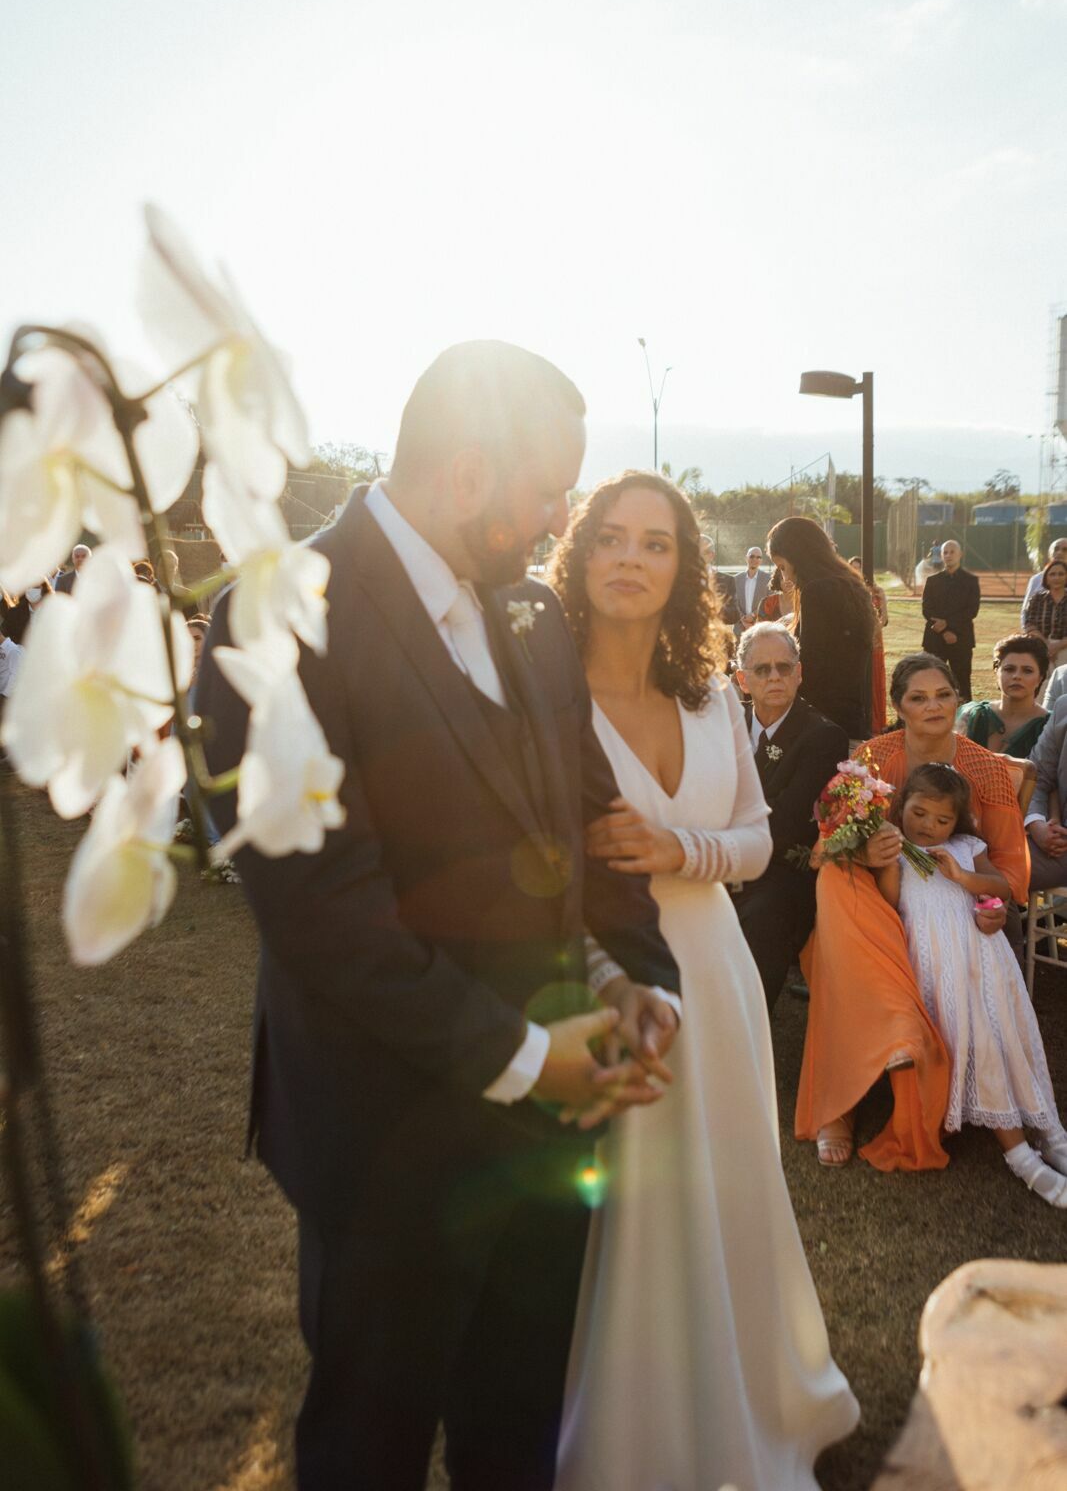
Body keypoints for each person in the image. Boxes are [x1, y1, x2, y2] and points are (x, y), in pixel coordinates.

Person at [196, 340, 681, 1491]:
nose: (563, 512)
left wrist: (636, 978)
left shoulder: (531, 616)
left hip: (550, 1140)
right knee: (371, 1442)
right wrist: (521, 1056)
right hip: (387, 1137)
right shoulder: (275, 622)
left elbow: (590, 824)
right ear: (466, 474)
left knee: (516, 1430)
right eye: (548, 487)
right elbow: (321, 910)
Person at [548, 471, 857, 1491]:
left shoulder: (711, 692)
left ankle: (749, 1395)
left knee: (727, 1182)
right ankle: (638, 1428)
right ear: (578, 553)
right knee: (635, 1203)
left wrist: (670, 844)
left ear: (684, 568)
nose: (630, 559)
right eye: (610, 538)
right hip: (607, 975)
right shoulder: (542, 701)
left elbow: (758, 844)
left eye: (656, 542)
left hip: (716, 970)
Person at [796, 653, 1028, 1170]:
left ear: (959, 697)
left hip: (958, 901)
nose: (934, 706)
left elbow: (1009, 864)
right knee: (836, 885)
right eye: (918, 698)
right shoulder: (874, 760)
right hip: (877, 897)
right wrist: (863, 853)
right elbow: (825, 846)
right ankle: (842, 1101)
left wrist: (991, 902)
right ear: (898, 707)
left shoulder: (985, 768)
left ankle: (908, 1060)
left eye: (943, 695)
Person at [876, 763, 1067, 1207]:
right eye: (919, 813)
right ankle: (1019, 1155)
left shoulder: (965, 846)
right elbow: (887, 903)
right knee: (979, 1039)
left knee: (1007, 1040)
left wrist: (968, 883)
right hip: (939, 968)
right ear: (902, 805)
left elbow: (999, 886)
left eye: (942, 820)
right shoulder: (897, 851)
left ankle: (1050, 1130)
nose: (928, 827)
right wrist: (886, 853)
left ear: (956, 822)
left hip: (984, 958)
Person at [731, 621, 848, 1011]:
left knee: (764, 919)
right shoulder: (722, 725)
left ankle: (746, 1038)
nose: (775, 677)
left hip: (780, 874)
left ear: (799, 674)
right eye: (762, 669)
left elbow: (786, 824)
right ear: (742, 679)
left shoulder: (822, 736)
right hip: (717, 861)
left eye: (784, 667)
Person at [766, 516, 874, 742]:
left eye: (782, 567)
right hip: (853, 718)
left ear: (798, 557)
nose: (784, 576)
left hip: (824, 722)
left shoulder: (816, 590)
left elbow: (810, 665)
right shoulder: (852, 585)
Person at [958, 634, 1049, 759]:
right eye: (1009, 669)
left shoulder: (1049, 726)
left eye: (1027, 670)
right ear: (996, 671)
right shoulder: (973, 716)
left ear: (1040, 678)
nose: (1017, 676)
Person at [921, 538, 981, 700]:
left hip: (961, 638)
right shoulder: (932, 581)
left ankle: (965, 719)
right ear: (941, 555)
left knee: (962, 683)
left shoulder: (971, 581)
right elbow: (927, 609)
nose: (948, 555)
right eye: (945, 552)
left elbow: (971, 610)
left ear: (960, 554)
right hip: (934, 638)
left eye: (952, 552)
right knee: (932, 680)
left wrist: (948, 625)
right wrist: (944, 630)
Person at [1022, 694, 1067, 892]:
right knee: (983, 870)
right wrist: (1036, 824)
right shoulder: (1064, 706)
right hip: (1056, 846)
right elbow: (1037, 777)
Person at [849, 555, 889, 734]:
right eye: (853, 567)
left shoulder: (876, 592)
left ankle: (877, 722)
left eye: (859, 567)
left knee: (875, 678)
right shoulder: (849, 589)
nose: (856, 571)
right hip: (856, 642)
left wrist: (884, 602)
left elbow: (884, 620)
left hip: (875, 641)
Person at [1023, 556, 1067, 672]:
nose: (1056, 578)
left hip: (1065, 648)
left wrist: (1057, 646)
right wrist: (1047, 646)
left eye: (1061, 574)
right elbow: (1029, 625)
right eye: (1052, 574)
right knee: (1042, 685)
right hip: (1040, 647)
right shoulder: (1037, 599)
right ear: (1046, 579)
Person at [1021, 537, 1067, 627]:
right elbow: (1026, 611)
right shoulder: (1036, 579)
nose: (1059, 553)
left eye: (1065, 550)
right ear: (1050, 554)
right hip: (1039, 637)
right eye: (1056, 549)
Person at [700, 534, 739, 626]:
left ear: (711, 555)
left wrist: (715, 607)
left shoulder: (727, 580)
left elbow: (734, 615)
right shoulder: (680, 580)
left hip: (717, 637)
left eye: (701, 552)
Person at [735, 544, 770, 634]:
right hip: (740, 628)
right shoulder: (736, 579)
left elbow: (769, 602)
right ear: (746, 558)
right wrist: (743, 619)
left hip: (759, 629)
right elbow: (733, 602)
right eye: (752, 556)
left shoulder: (768, 579)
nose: (755, 559)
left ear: (761, 560)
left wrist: (753, 615)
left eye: (758, 557)